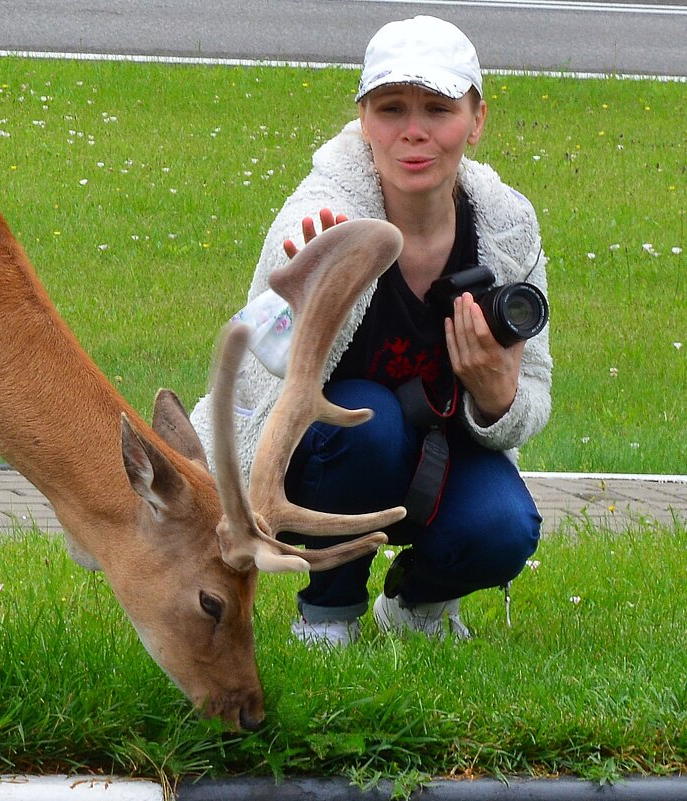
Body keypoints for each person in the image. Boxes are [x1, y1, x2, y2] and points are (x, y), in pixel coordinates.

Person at [191, 15, 552, 646]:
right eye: (392, 109)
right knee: (370, 422)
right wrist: (308, 298)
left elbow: (535, 393)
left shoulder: (507, 227)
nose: (414, 132)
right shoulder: (320, 215)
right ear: (364, 120)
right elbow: (260, 361)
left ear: (477, 120)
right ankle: (328, 612)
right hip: (326, 456)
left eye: (438, 109)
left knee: (506, 526)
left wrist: (497, 397)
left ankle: (417, 603)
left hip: (440, 453)